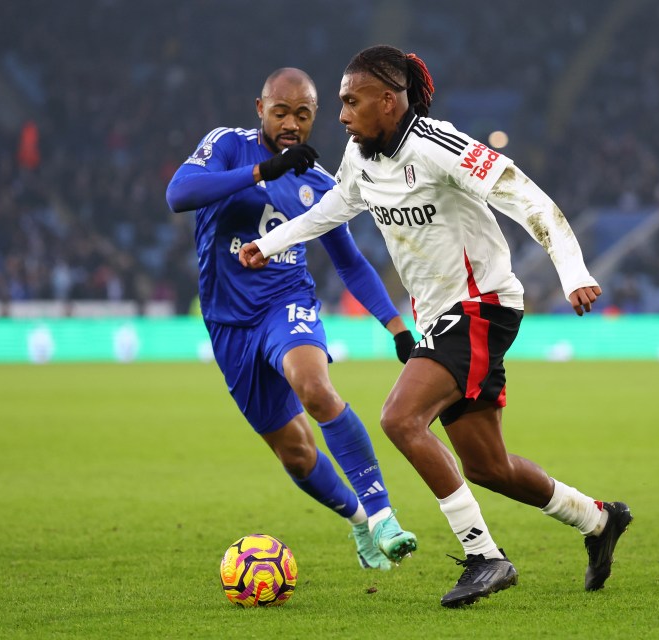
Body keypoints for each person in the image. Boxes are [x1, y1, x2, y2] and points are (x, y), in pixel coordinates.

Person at [239, 46, 632, 607]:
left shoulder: (438, 145)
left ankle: (485, 557)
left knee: (399, 418)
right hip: (440, 318)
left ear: (390, 101)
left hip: (481, 306)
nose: (342, 114)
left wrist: (572, 272)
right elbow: (331, 210)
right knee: (487, 466)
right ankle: (599, 520)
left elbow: (526, 197)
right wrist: (269, 243)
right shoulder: (359, 155)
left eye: (352, 101)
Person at [165, 68, 418, 571]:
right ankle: (358, 521)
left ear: (314, 118)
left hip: (287, 303)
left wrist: (396, 325)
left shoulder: (322, 183)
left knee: (315, 388)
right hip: (228, 324)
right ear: (260, 109)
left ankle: (382, 512)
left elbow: (348, 262)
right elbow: (179, 195)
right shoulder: (227, 146)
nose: (290, 123)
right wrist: (264, 172)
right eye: (280, 111)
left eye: (302, 115)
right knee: (297, 456)